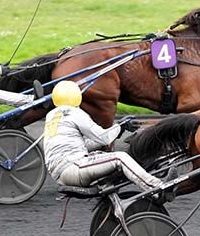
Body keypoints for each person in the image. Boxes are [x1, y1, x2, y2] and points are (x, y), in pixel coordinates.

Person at [43, 80, 172, 190]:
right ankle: (157, 186)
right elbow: (103, 138)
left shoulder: (52, 116)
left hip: (61, 173)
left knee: (106, 157)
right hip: (72, 168)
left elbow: (86, 145)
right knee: (120, 157)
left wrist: (118, 131)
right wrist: (120, 126)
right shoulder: (74, 113)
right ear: (77, 96)